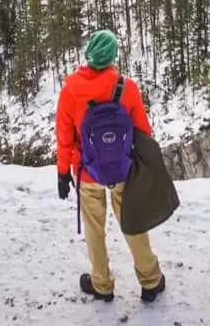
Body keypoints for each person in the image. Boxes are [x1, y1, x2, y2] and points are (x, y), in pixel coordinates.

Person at [55, 29, 166, 305]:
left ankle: (102, 284)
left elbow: (64, 136)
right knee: (132, 222)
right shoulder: (126, 88)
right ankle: (150, 280)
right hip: (123, 169)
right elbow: (143, 130)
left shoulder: (71, 90)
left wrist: (61, 171)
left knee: (95, 229)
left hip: (88, 171)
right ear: (113, 56)